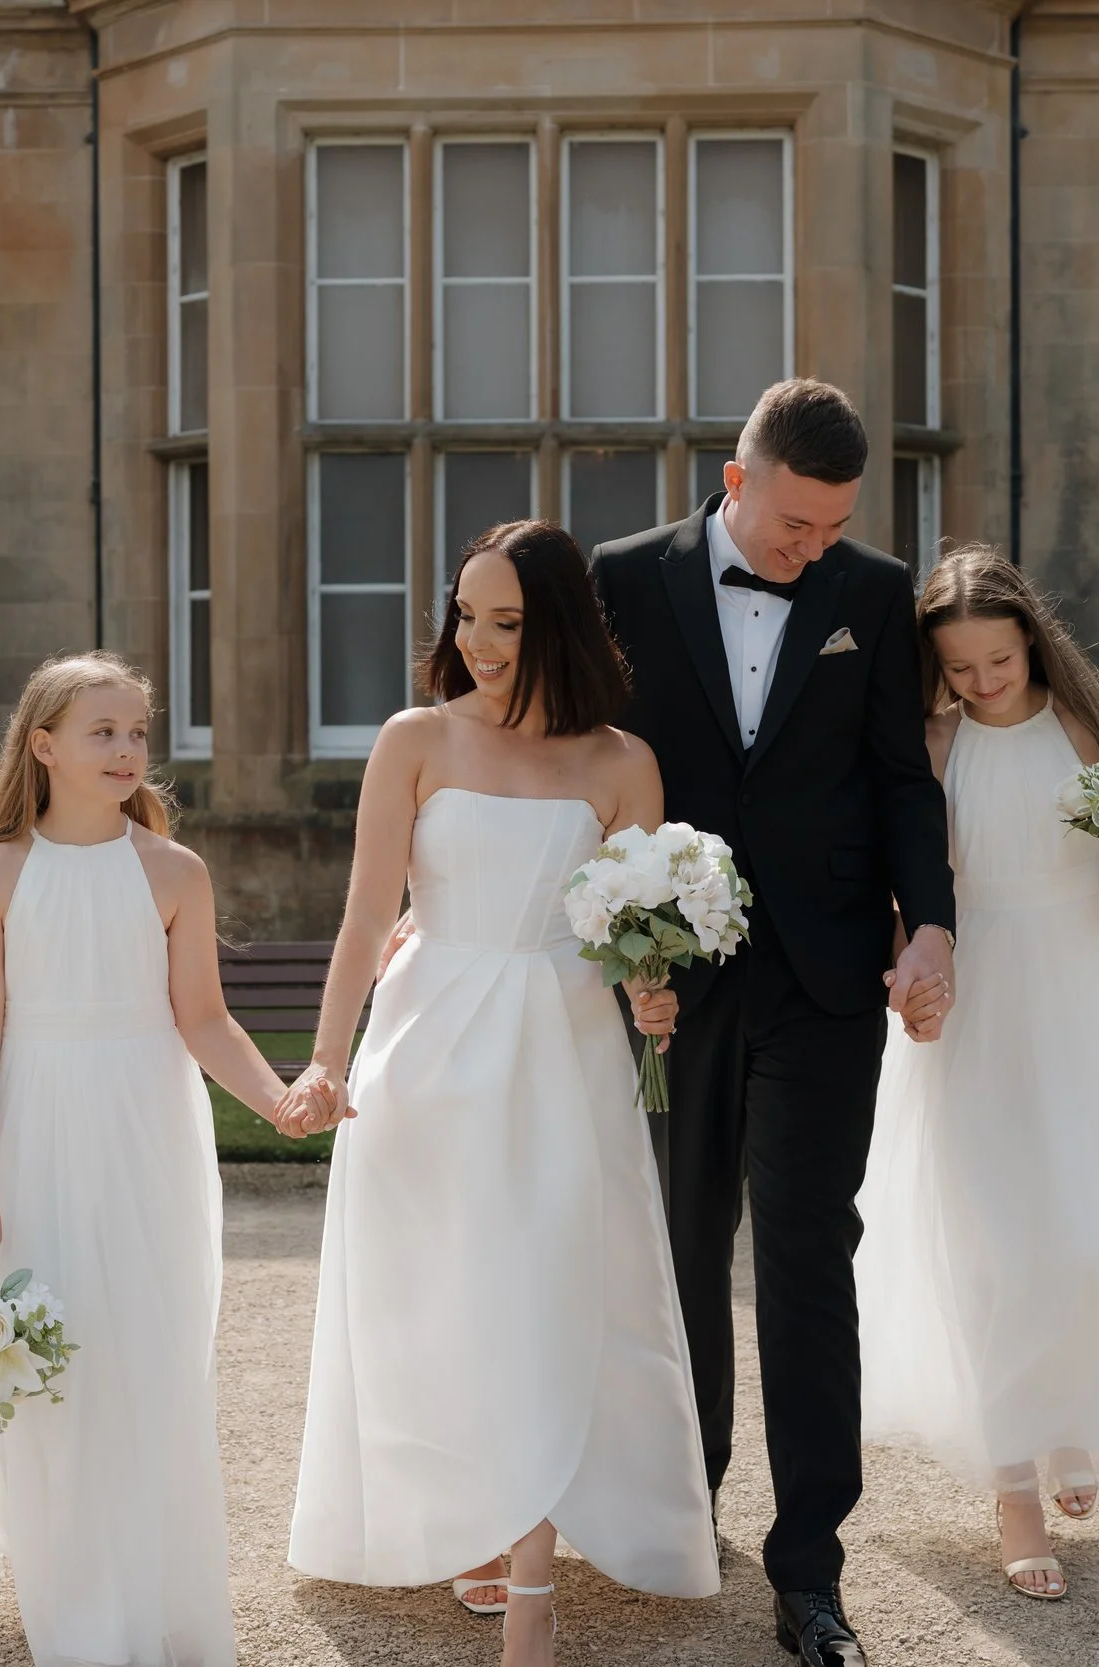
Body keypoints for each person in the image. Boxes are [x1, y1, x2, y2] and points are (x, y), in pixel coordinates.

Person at [283, 522, 719, 1667]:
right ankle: (473, 1514)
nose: (477, 640)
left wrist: (652, 994)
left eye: (507, 621)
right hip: (426, 1044)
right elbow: (366, 914)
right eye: (466, 614)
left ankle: (533, 1574)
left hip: (566, 1049)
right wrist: (326, 1059)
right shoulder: (412, 739)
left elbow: (638, 932)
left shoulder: (622, 762)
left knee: (546, 1289)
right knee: (444, 1293)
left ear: (560, 626)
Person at [588, 379, 957, 1667]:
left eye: (834, 525)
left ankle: (810, 1569)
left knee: (809, 1261)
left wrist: (933, 925)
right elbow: (570, 759)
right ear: (735, 482)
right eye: (796, 524)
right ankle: (684, 1501)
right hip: (671, 978)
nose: (815, 548)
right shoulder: (620, 578)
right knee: (680, 1241)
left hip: (826, 974)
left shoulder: (870, 591)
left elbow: (903, 778)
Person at [0, 651, 321, 1667]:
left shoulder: (173, 873)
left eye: (137, 732)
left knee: (143, 1350)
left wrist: (278, 1096)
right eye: (101, 731)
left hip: (145, 1129)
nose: (125, 750)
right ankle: (72, 1603)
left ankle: (154, 1592)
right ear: (43, 745)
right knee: (47, 1356)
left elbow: (202, 1018)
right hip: (34, 1127)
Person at [855, 547, 1099, 1601]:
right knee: (993, 1241)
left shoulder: (1090, 733)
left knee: (1089, 1222)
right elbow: (908, 881)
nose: (984, 682)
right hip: (982, 1000)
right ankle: (1013, 1489)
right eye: (960, 669)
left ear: (1029, 639)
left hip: (1085, 995)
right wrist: (910, 959)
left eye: (997, 658)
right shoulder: (935, 748)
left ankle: (1073, 1416)